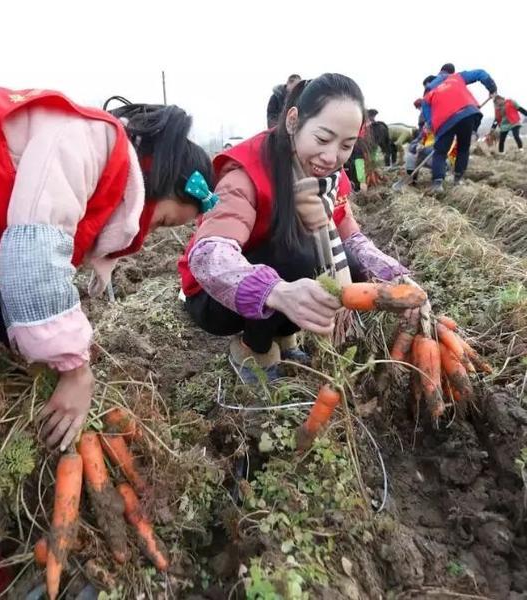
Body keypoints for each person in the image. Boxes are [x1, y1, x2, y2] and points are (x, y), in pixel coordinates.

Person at [0, 79, 216, 597]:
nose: (151, 234)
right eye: (166, 221)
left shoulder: (103, 166)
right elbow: (31, 253)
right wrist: (74, 368)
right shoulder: (87, 141)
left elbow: (55, 246)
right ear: (162, 181)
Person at [178, 74, 417, 383]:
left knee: (344, 262)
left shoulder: (332, 179)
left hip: (277, 286)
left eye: (346, 145)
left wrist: (397, 279)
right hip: (215, 298)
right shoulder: (247, 171)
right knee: (299, 254)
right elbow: (210, 256)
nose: (332, 157)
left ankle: (283, 337)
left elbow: (352, 238)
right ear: (293, 121)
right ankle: (253, 348)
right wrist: (277, 292)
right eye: (322, 139)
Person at [422, 66, 497, 191]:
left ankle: (437, 183)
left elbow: (425, 106)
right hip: (467, 113)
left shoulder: (429, 88)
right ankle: (458, 180)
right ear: (451, 72)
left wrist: (431, 124)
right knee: (463, 148)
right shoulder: (456, 77)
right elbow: (480, 73)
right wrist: (492, 88)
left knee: (440, 152)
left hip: (444, 119)